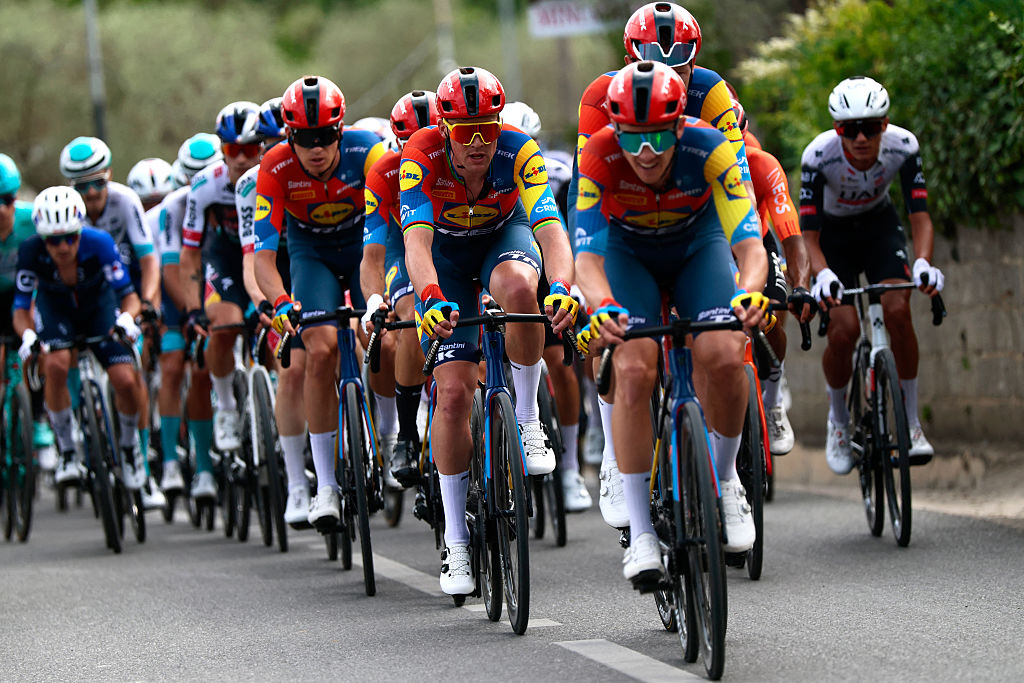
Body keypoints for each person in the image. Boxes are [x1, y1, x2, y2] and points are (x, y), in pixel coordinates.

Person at [575, 62, 766, 582]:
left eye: (659, 136)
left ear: (680, 125)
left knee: (726, 355)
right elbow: (587, 260)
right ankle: (640, 534)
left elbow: (749, 245)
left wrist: (750, 289)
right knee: (635, 369)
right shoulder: (599, 155)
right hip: (626, 254)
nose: (646, 153)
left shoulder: (710, 148)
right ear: (616, 130)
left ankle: (726, 483)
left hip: (696, 247)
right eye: (633, 138)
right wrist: (601, 303)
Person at [400, 66, 576, 594]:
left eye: (487, 127)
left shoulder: (519, 150)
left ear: (500, 122)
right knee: (453, 394)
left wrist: (562, 285)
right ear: (446, 128)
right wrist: (430, 298)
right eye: (465, 130)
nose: (478, 141)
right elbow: (416, 245)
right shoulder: (420, 155)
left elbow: (549, 229)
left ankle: (525, 417)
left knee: (524, 291)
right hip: (447, 258)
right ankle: (456, 541)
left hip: (504, 236)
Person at [254, 75, 386, 530]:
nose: (316, 149)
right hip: (311, 257)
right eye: (304, 139)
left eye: (325, 137)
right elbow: (264, 258)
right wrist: (282, 301)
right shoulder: (273, 168)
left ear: (341, 131)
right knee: (321, 350)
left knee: (380, 333)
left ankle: (390, 434)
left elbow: (395, 224)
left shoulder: (367, 150)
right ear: (289, 137)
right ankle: (325, 485)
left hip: (364, 248)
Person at [800, 76, 944, 473]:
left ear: (885, 124)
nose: (861, 138)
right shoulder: (817, 156)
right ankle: (839, 422)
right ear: (837, 129)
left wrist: (923, 262)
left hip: (880, 226)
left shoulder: (904, 145)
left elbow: (920, 217)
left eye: (871, 126)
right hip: (834, 237)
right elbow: (807, 236)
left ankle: (912, 423)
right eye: (850, 129)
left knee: (898, 309)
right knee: (844, 331)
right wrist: (823, 273)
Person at [13, 187, 144, 489]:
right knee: (56, 364)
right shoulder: (30, 251)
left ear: (80, 230)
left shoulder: (99, 243)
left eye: (70, 237)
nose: (62, 248)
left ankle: (129, 446)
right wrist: (28, 335)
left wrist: (126, 318)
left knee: (125, 380)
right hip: (56, 309)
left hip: (98, 306)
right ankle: (68, 450)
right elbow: (20, 308)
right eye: (53, 240)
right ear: (43, 239)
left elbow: (129, 296)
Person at [500, 100, 592, 512]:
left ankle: (571, 466)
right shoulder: (489, 172)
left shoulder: (554, 175)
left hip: (549, 271)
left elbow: (567, 231)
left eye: (530, 143)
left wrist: (572, 286)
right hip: (501, 271)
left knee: (560, 362)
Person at [58, 137, 157, 490]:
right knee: (63, 352)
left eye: (97, 182)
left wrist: (145, 305)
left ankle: (140, 461)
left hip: (123, 289)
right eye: (81, 186)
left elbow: (148, 260)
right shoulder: (66, 210)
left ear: (109, 177)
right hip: (85, 294)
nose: (90, 193)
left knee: (133, 371)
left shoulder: (125, 200)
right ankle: (73, 429)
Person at [236, 97, 313, 524]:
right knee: (291, 367)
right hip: (274, 267)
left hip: (315, 256)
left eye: (278, 140)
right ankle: (296, 479)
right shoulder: (251, 184)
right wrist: (265, 304)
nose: (272, 149)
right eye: (263, 142)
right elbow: (252, 260)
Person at [179, 102, 262, 476]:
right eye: (233, 150)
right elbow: (190, 254)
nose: (242, 158)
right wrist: (193, 307)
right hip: (225, 259)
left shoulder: (272, 176)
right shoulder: (204, 185)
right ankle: (226, 406)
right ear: (221, 149)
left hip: (265, 255)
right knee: (224, 327)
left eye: (251, 149)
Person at [362, 90, 439, 489]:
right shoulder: (385, 173)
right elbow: (373, 255)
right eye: (410, 143)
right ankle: (407, 433)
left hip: (457, 238)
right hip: (404, 243)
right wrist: (375, 299)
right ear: (396, 142)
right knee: (412, 315)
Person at [732, 98, 814, 455]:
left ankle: (773, 394)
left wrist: (801, 287)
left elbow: (791, 236)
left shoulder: (763, 165)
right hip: (703, 245)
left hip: (753, 242)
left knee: (771, 312)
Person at [156, 134, 222, 500]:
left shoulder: (236, 196)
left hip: (222, 285)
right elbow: (170, 271)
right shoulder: (175, 208)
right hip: (183, 296)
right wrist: (194, 312)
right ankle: (191, 466)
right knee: (177, 366)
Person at [0, 153, 57, 469]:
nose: (1, 210)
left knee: (41, 346)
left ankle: (38, 420)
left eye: (6, 201)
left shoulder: (32, 220)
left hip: (28, 295)